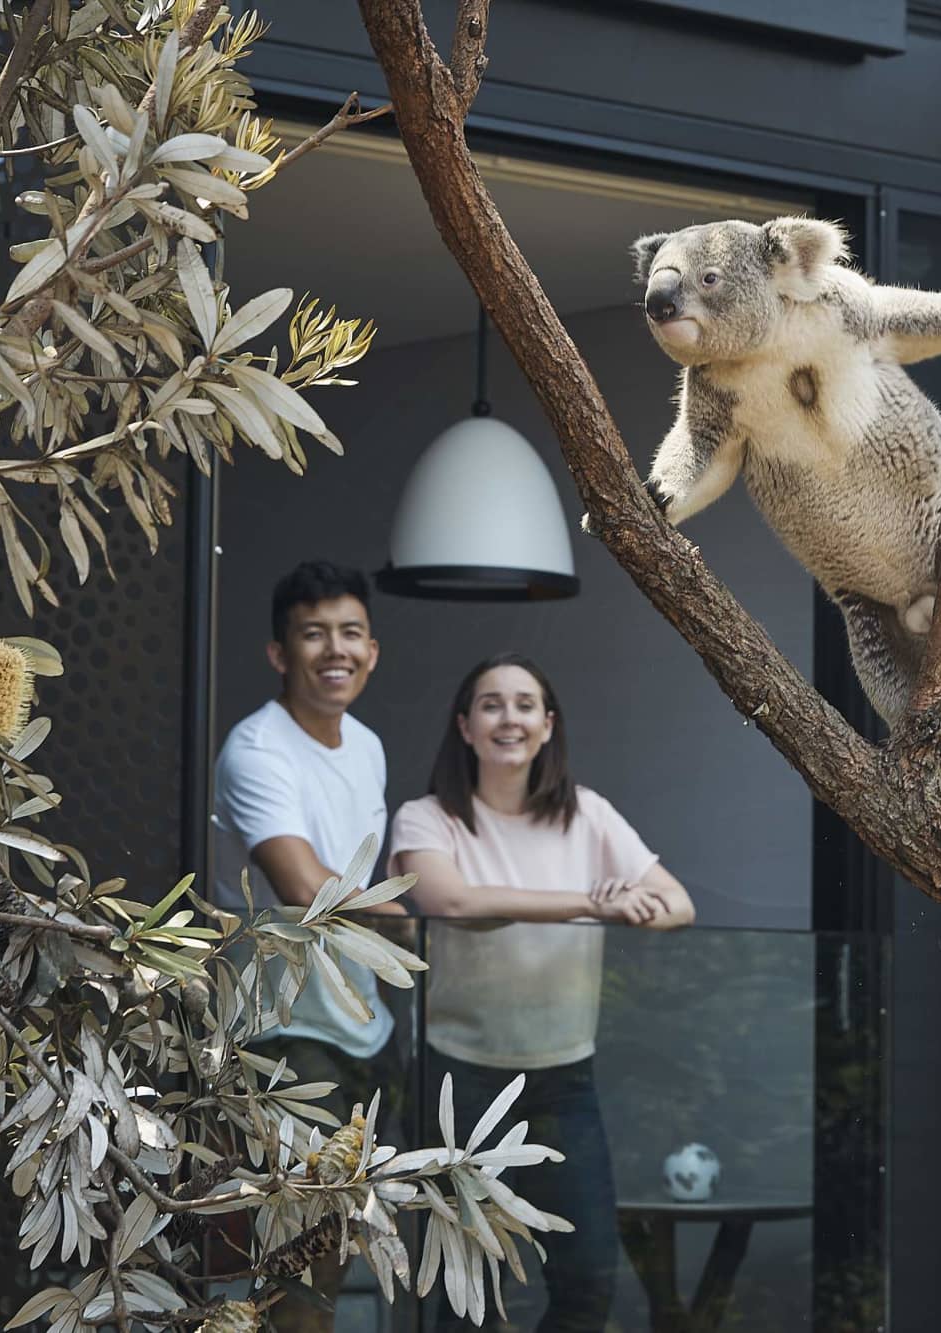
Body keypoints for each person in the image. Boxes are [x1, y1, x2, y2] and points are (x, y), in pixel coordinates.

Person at [389, 652, 694, 1332]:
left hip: (564, 1080)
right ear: (465, 726)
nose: (510, 718)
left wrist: (632, 905)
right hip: (456, 1081)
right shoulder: (427, 817)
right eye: (491, 704)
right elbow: (452, 901)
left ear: (548, 724)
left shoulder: (588, 815)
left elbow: (680, 904)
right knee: (466, 1295)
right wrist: (590, 902)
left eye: (525, 705)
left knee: (588, 1280)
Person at [211, 560, 412, 1332]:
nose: (337, 650)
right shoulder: (257, 750)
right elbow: (301, 883)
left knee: (334, 1251)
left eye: (351, 633)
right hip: (284, 1033)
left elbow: (352, 877)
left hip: (364, 1027)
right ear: (279, 652)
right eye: (314, 634)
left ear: (373, 650)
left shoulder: (367, 746)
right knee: (294, 1254)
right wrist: (400, 913)